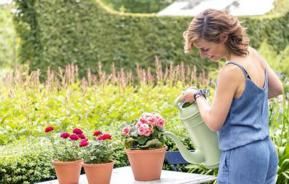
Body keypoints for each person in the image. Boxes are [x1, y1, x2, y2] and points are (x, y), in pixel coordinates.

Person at [181, 9, 283, 184]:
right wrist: (244, 104)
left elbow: (214, 122)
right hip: (265, 150)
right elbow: (276, 89)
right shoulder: (252, 54)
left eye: (205, 48)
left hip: (241, 155)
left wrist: (198, 96)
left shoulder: (231, 71)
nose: (203, 55)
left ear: (222, 37)